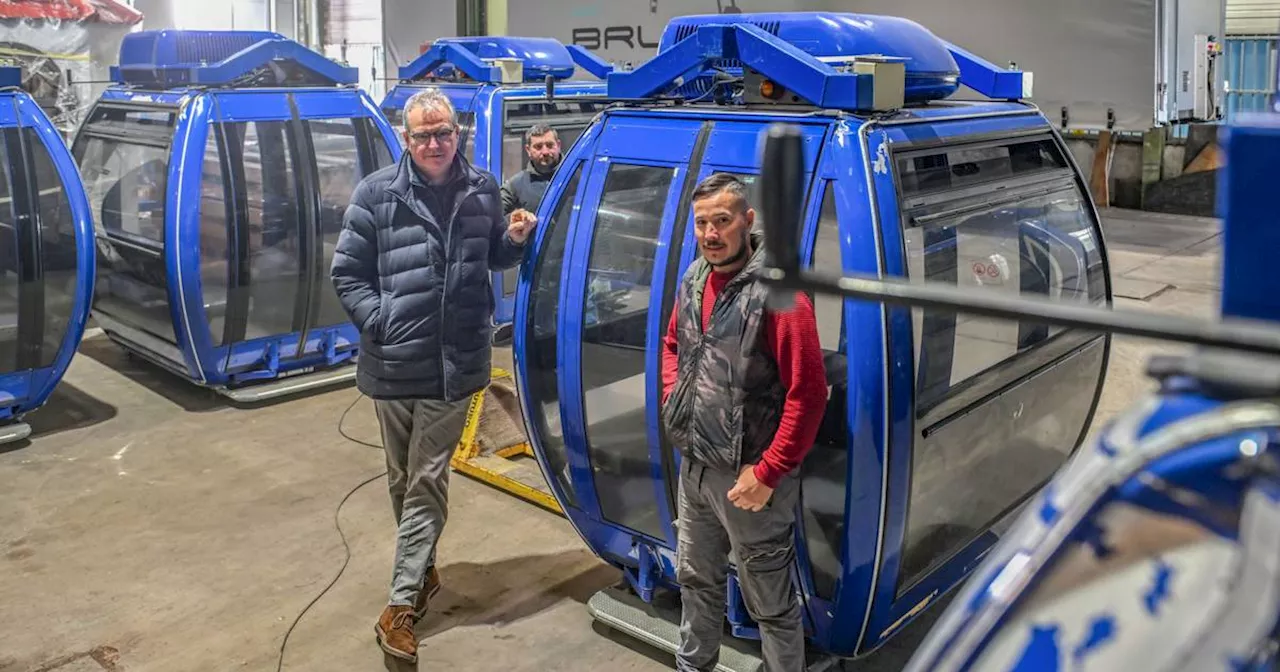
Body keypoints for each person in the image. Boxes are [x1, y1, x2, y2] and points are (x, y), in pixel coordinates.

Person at [330, 87, 537, 663]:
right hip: (394, 361)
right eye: (422, 134)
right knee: (400, 476)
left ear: (458, 133)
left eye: (443, 132)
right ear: (405, 137)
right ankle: (422, 573)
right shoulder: (376, 194)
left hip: (456, 360)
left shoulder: (483, 190)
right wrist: (382, 322)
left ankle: (399, 606)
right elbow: (347, 273)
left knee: (425, 476)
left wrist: (513, 240)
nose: (434, 143)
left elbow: (493, 254)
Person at [660, 173, 828, 672]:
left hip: (750, 480)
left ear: (748, 221)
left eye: (723, 221)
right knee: (696, 581)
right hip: (695, 471)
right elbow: (674, 345)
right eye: (703, 223)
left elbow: (809, 392)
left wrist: (770, 471)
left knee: (772, 607)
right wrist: (675, 397)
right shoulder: (694, 279)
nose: (712, 234)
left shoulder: (779, 295)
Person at [500, 123, 562, 220]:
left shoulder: (579, 175)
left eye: (550, 145)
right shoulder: (515, 185)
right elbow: (495, 218)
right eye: (538, 147)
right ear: (528, 150)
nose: (545, 152)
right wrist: (515, 219)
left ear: (558, 145)